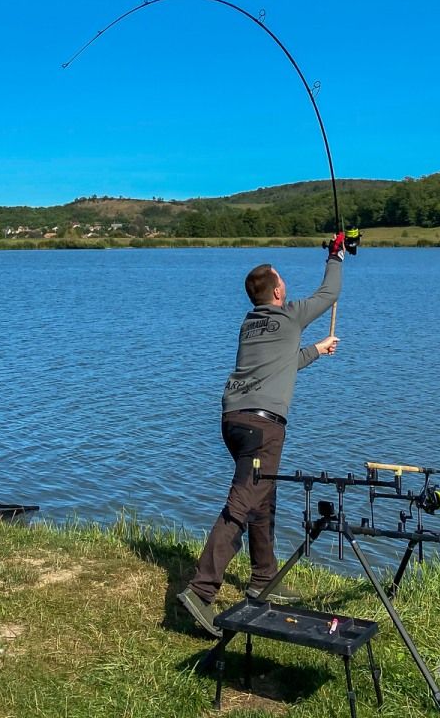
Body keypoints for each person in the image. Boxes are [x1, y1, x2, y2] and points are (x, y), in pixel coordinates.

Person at [178, 236, 345, 637]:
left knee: (262, 499)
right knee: (240, 505)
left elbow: (282, 361)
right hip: (263, 426)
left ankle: (262, 579)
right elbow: (330, 292)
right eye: (283, 282)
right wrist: (335, 255)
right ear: (275, 290)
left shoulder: (250, 325)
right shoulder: (289, 315)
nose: (286, 285)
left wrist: (317, 351)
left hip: (233, 420)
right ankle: (200, 593)